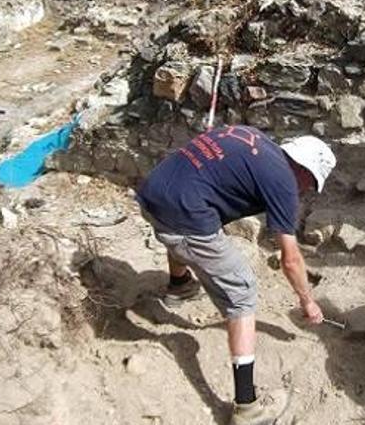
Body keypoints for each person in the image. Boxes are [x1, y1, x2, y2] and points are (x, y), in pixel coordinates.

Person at [136, 125, 336, 425]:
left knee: (186, 232)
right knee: (242, 290)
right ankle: (247, 408)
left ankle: (179, 286)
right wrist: (307, 301)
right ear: (305, 171)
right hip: (181, 219)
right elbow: (291, 259)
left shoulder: (251, 137)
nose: (306, 190)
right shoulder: (283, 183)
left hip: (151, 194)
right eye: (310, 184)